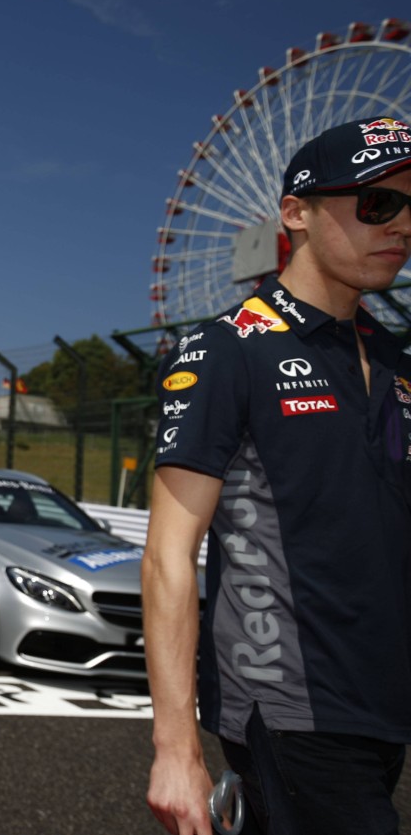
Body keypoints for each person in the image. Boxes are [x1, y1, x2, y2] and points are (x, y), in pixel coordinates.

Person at [143, 117, 411, 835]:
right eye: (378, 204)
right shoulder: (227, 349)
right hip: (290, 705)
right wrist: (175, 748)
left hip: (382, 703)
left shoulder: (395, 358)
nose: (402, 225)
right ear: (295, 213)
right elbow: (169, 552)